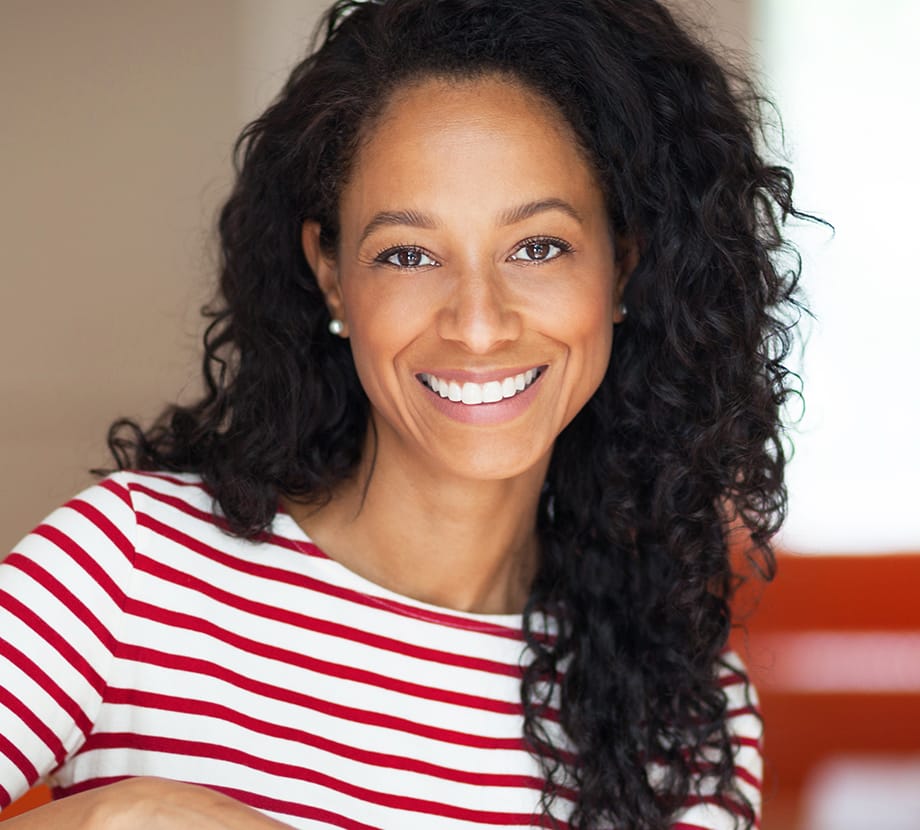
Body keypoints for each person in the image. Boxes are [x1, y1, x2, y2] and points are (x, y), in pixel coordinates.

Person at [0, 0, 805, 827]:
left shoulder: (685, 715)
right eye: (409, 254)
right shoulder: (130, 565)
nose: (480, 322)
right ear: (332, 274)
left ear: (623, 267)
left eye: (537, 247)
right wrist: (117, 819)